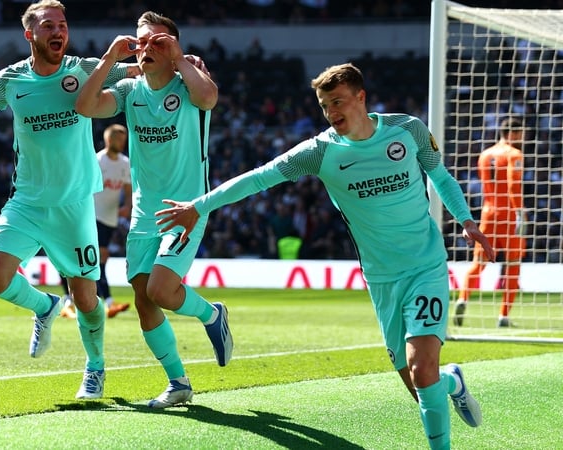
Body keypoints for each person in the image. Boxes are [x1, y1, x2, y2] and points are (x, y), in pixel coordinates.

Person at [156, 63, 493, 449]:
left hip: (426, 265)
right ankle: (452, 381)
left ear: (361, 98)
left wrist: (466, 220)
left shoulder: (408, 129)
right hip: (381, 278)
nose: (331, 113)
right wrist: (199, 206)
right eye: (323, 106)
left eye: (337, 102)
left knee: (421, 368)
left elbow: (441, 177)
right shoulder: (320, 152)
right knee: (421, 386)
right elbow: (259, 176)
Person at [0, 0, 140, 400]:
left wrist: (175, 60)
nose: (58, 31)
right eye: (47, 26)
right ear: (30, 35)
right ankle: (44, 306)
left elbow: (138, 70)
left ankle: (95, 367)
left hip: (74, 205)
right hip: (26, 200)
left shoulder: (83, 69)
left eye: (62, 24)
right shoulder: (12, 78)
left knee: (88, 299)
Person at [75, 11, 233, 409]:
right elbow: (86, 105)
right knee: (144, 299)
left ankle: (211, 316)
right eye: (142, 41)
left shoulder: (188, 84)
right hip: (145, 214)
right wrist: (111, 59)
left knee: (160, 290)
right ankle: (178, 382)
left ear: (175, 48)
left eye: (157, 42)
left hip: (187, 208)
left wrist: (180, 58)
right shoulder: (130, 90)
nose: (147, 48)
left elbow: (210, 97)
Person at [455, 117, 525, 328]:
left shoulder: (484, 155)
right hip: (509, 214)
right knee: (513, 264)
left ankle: (463, 298)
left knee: (478, 263)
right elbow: (513, 186)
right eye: (520, 133)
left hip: (488, 213)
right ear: (513, 133)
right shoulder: (515, 155)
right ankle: (503, 316)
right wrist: (520, 212)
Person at [60, 123, 132, 319]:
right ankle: (105, 302)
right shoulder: (97, 160)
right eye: (119, 138)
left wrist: (127, 206)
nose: (122, 142)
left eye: (124, 139)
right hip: (92, 216)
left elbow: (127, 189)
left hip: (110, 220)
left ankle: (73, 301)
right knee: (97, 258)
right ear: (109, 140)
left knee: (95, 260)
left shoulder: (125, 163)